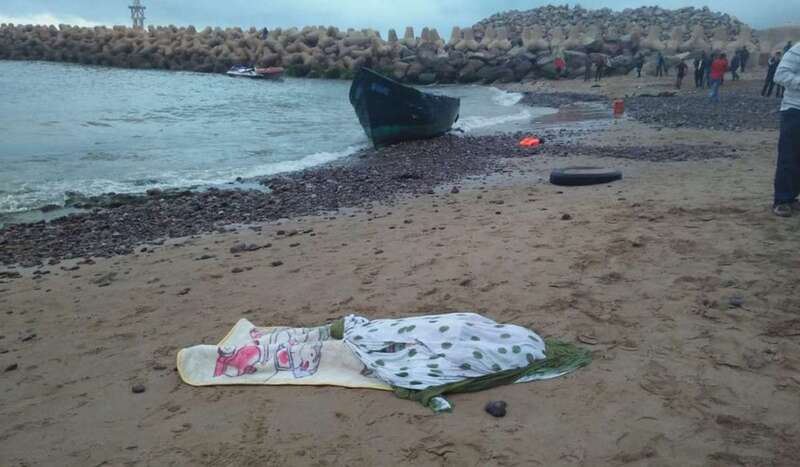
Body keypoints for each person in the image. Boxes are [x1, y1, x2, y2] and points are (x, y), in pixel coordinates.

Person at [772, 42, 800, 217]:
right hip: (795, 110)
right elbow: (780, 75)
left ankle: (792, 198)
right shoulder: (798, 50)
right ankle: (782, 200)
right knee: (789, 156)